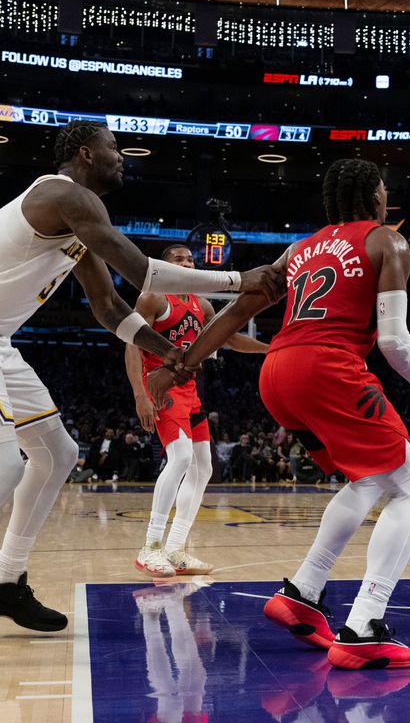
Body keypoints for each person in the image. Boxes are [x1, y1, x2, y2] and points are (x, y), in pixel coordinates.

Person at [0, 119, 279, 671]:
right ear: (86, 153)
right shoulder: (63, 195)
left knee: (59, 453)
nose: (122, 159)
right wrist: (240, 279)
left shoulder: (77, 222)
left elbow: (111, 308)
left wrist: (173, 353)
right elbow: (144, 272)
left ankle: (4, 581)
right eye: (115, 150)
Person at [149, 158, 410, 669]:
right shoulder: (388, 242)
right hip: (328, 368)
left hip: (277, 372)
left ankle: (302, 593)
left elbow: (237, 313)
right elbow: (391, 338)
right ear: (376, 197)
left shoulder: (299, 249)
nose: (387, 196)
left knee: (368, 481)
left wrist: (182, 363)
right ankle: (364, 627)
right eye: (385, 188)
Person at [126, 243, 267, 578]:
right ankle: (150, 547)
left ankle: (177, 548)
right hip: (160, 388)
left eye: (190, 258)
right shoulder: (153, 298)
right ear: (164, 267)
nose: (187, 262)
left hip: (190, 392)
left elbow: (230, 340)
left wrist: (270, 349)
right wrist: (140, 395)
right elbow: (131, 344)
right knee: (180, 459)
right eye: (178, 259)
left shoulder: (201, 304)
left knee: (203, 467)